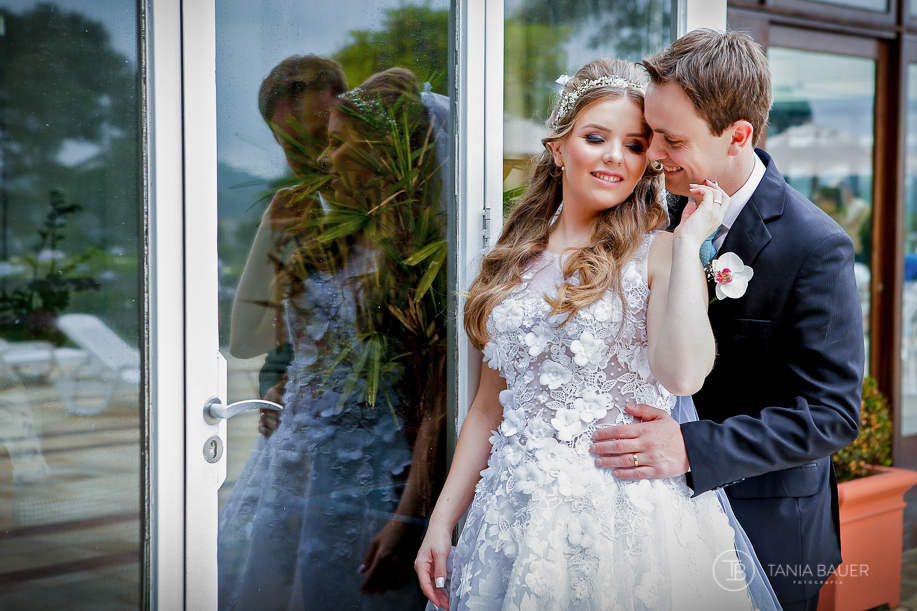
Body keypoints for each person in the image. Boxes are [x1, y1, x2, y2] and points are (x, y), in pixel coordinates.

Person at [414, 58, 780, 611]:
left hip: (624, 521)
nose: (615, 156)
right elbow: (490, 408)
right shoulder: (509, 262)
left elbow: (682, 376)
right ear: (559, 147)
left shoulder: (658, 255)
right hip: (513, 510)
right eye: (595, 137)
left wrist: (689, 242)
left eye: (635, 146)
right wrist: (442, 521)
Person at [589, 30, 864, 611]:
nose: (652, 153)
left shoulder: (815, 246)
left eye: (672, 139)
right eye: (650, 132)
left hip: (764, 526)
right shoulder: (638, 212)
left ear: (739, 135)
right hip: (639, 526)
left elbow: (832, 416)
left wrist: (690, 447)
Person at [219, 67, 449, 610]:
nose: (314, 156)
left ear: (378, 151)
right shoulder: (301, 223)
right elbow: (248, 339)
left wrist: (406, 516)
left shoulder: (419, 250)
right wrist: (274, 235)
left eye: (326, 138)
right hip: (293, 458)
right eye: (289, 141)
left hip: (371, 470)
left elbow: (436, 394)